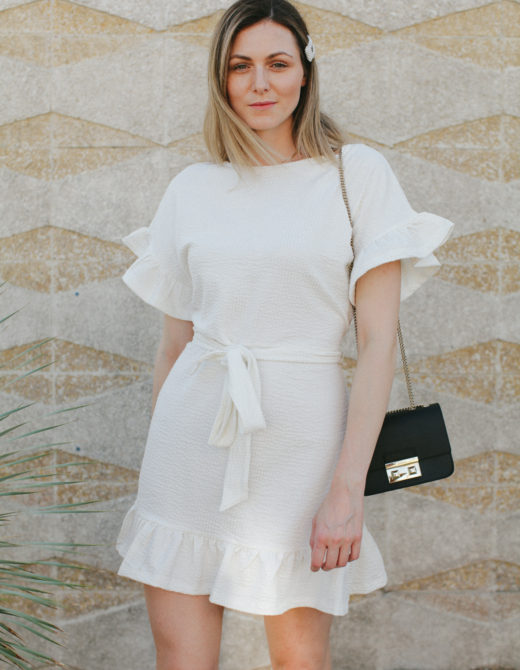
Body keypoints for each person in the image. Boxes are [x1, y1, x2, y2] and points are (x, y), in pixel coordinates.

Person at [115, 1, 455, 668]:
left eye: (277, 63)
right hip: (190, 444)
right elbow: (174, 345)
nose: (260, 83)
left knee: (299, 658)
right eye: (240, 66)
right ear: (221, 78)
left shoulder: (356, 175)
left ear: (306, 71)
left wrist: (346, 490)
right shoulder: (192, 188)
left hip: (303, 450)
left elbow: (378, 343)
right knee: (178, 657)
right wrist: (160, 458)